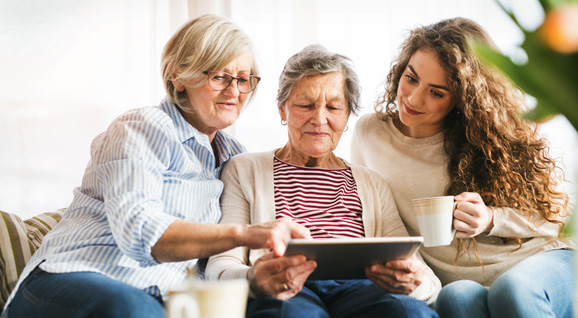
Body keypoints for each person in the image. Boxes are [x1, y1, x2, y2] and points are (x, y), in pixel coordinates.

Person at [2, 14, 310, 318]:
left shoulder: (236, 158)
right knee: (135, 309)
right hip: (74, 277)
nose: (234, 91)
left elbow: (220, 263)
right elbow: (141, 232)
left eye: (243, 79)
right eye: (219, 76)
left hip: (162, 298)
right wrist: (245, 233)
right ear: (178, 76)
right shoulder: (141, 127)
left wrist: (255, 277)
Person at [351, 17, 576, 318]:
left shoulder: (490, 136)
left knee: (512, 290)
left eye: (436, 92)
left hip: (540, 262)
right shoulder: (370, 134)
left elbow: (561, 215)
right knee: (453, 298)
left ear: (462, 99)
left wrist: (491, 218)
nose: (414, 98)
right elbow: (366, 216)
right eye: (411, 77)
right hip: (464, 281)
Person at [206, 44, 441, 318]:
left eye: (333, 106)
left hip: (363, 289)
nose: (319, 119)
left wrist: (413, 282)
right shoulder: (244, 169)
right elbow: (219, 266)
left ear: (347, 115)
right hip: (287, 291)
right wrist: (254, 279)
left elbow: (427, 280)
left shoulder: (372, 183)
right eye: (306, 105)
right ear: (282, 109)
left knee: (410, 313)